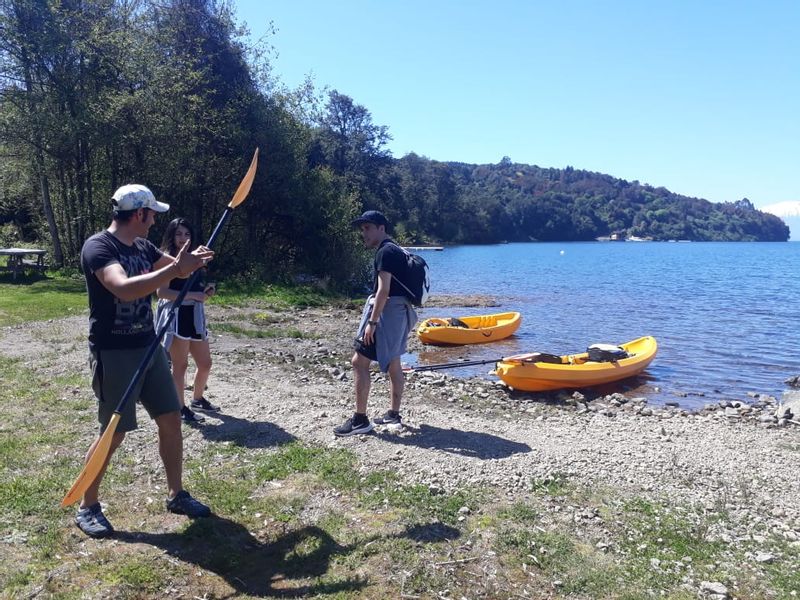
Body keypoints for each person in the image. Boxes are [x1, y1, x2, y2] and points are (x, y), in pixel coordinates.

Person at [76, 184, 214, 538]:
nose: (155, 221)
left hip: (148, 347)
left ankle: (176, 495)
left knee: (170, 419)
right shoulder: (99, 247)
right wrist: (175, 270)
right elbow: (122, 287)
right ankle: (88, 505)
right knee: (115, 432)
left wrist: (190, 262)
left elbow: (177, 271)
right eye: (152, 214)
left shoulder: (143, 245)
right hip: (114, 351)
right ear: (138, 214)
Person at [334, 210, 418, 437]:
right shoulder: (396, 249)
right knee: (393, 363)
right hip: (400, 313)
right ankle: (393, 414)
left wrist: (372, 322)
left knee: (359, 362)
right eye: (362, 229)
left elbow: (383, 290)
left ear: (382, 228)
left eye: (368, 228)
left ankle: (360, 420)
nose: (364, 233)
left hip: (387, 314)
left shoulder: (385, 251)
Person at [155, 218, 218, 424]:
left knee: (205, 363)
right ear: (172, 236)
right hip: (175, 315)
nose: (183, 238)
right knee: (180, 366)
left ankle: (197, 399)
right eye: (179, 234)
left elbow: (197, 290)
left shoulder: (196, 258)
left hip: (195, 315)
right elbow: (162, 292)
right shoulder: (165, 259)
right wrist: (193, 295)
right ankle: (179, 407)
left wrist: (205, 293)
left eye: (187, 234)